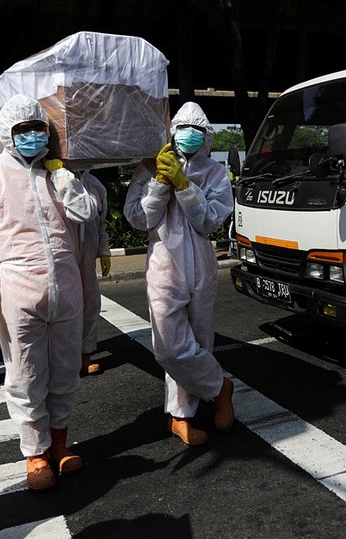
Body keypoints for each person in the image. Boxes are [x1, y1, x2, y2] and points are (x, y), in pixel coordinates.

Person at [0, 94, 98, 491]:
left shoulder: (59, 172)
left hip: (65, 284)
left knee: (66, 369)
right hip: (16, 286)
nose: (32, 136)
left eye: (38, 129)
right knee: (25, 373)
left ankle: (60, 442)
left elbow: (87, 216)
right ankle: (35, 453)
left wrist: (66, 181)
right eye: (22, 130)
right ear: (7, 134)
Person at [123, 102, 235, 446]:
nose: (189, 135)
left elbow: (209, 221)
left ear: (206, 136)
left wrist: (184, 185)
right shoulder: (149, 167)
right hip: (163, 264)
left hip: (200, 264)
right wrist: (158, 183)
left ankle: (181, 416)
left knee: (198, 341)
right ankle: (220, 388)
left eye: (196, 130)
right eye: (182, 128)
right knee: (170, 347)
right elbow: (140, 219)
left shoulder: (215, 173)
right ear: (171, 133)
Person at [77, 170, 111, 376]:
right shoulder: (50, 178)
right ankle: (61, 357)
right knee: (62, 307)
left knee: (90, 304)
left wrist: (103, 250)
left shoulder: (94, 184)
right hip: (61, 256)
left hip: (87, 254)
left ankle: (84, 354)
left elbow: (101, 221)